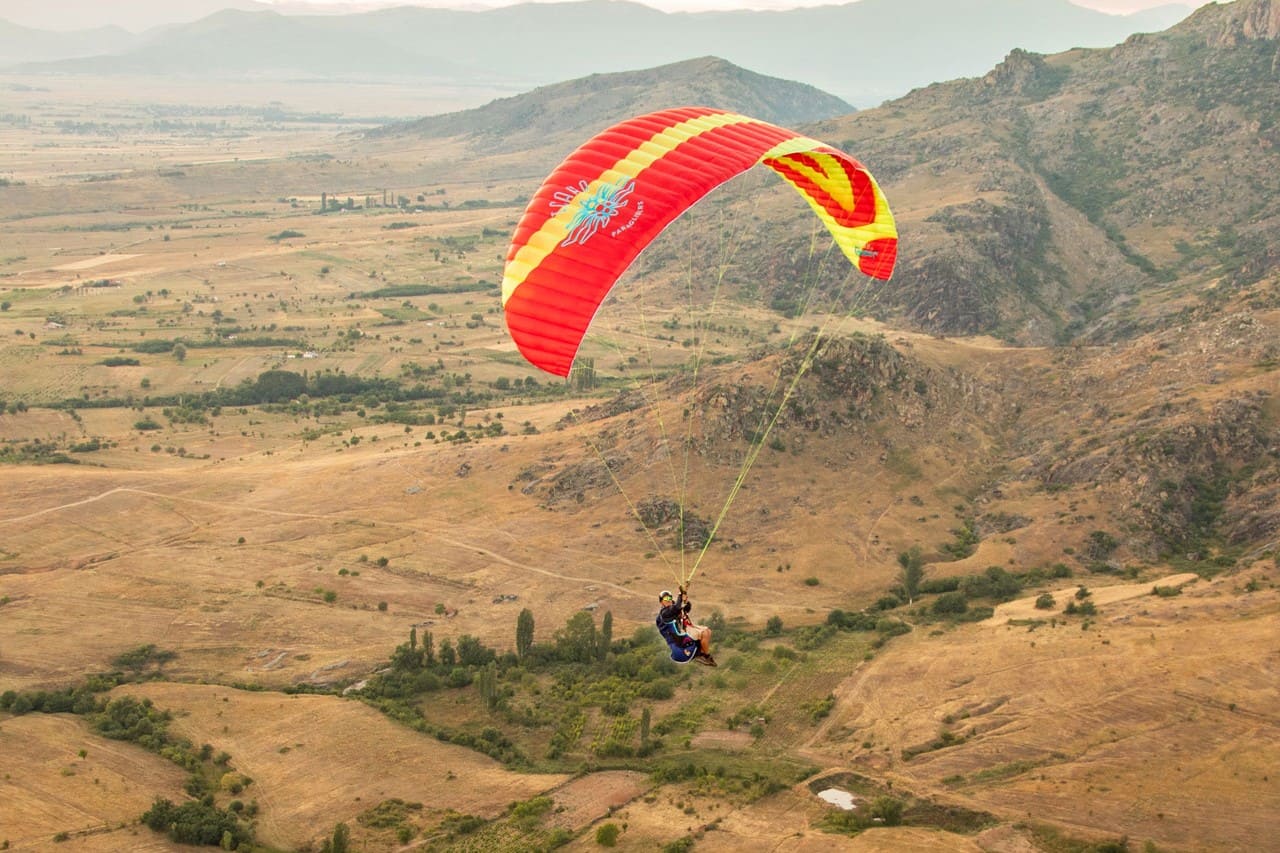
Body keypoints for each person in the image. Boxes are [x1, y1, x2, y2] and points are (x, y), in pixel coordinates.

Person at [656, 586, 716, 666]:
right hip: (678, 636)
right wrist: (680, 594)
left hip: (684, 628)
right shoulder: (664, 613)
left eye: (670, 598)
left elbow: (686, 609)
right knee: (704, 633)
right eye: (666, 599)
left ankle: (701, 653)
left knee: (708, 631)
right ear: (661, 602)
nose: (669, 600)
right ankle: (706, 656)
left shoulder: (673, 608)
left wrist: (685, 601)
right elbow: (676, 608)